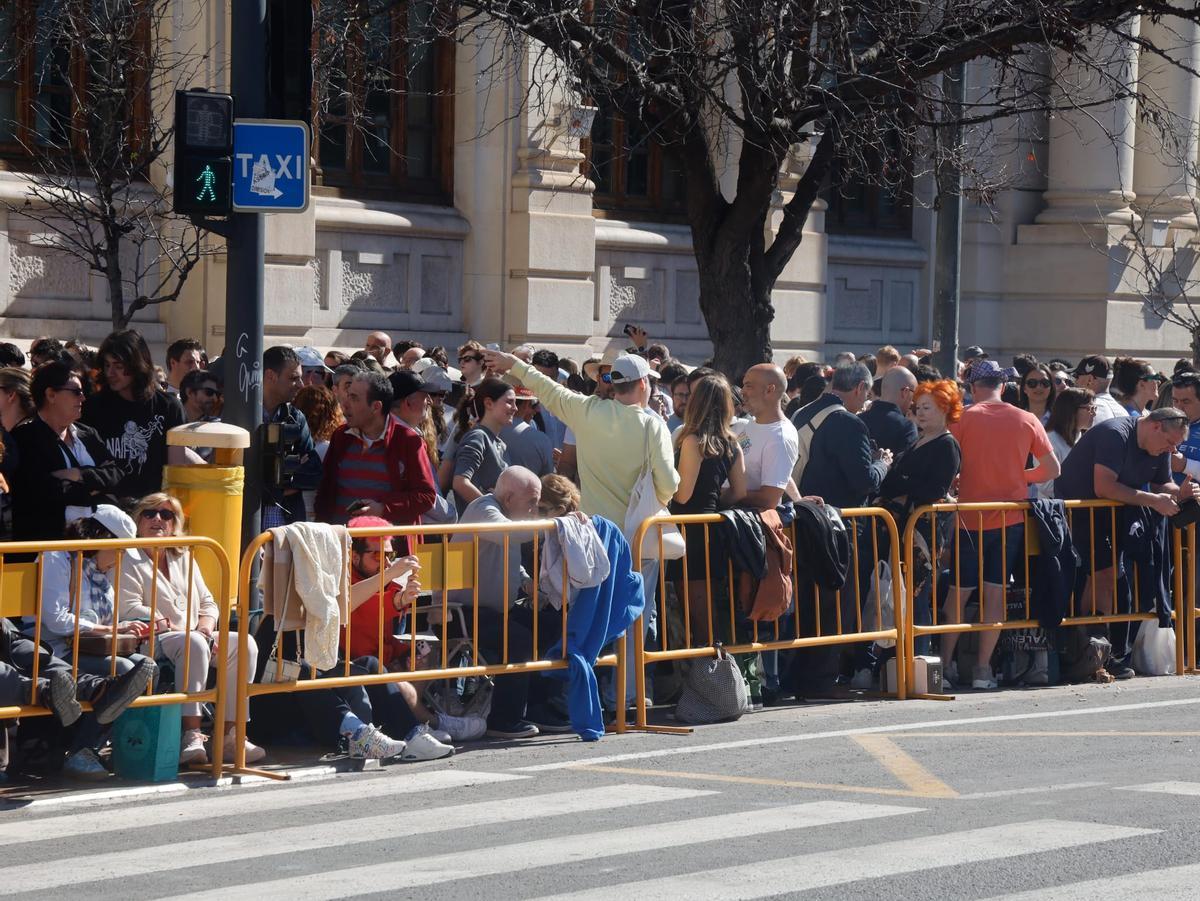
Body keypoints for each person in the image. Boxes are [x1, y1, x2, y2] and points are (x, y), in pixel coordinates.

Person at [482, 349, 678, 711]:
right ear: (645, 385)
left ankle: (583, 691)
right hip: (636, 538)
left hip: (591, 538)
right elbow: (668, 483)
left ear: (612, 384)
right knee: (633, 615)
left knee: (589, 617)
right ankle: (628, 694)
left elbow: (548, 390)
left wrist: (514, 365)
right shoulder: (652, 424)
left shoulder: (587, 411)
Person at [120, 493, 264, 765]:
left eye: (167, 514)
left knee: (244, 643)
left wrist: (206, 630)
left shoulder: (183, 553)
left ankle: (231, 737)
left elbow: (208, 601)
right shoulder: (128, 557)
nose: (158, 520)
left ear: (176, 524)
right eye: (149, 513)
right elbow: (130, 608)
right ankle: (192, 735)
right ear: (138, 519)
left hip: (194, 635)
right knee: (194, 643)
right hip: (153, 638)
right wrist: (182, 629)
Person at [941, 360, 1059, 690]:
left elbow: (947, 464)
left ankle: (946, 667)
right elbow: (1052, 469)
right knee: (995, 595)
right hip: (1010, 518)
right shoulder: (1026, 418)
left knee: (958, 595)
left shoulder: (962, 418)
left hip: (968, 518)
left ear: (972, 387)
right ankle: (982, 670)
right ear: (1003, 386)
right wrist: (1017, 476)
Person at [1054, 408, 1195, 666]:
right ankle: (1087, 649)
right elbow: (1104, 486)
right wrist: (1154, 501)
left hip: (1118, 513)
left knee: (1121, 579)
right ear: (1155, 427)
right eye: (1169, 443)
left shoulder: (1160, 446)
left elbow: (1161, 484)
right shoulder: (1115, 434)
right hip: (1083, 512)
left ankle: (1104, 649)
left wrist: (1181, 492)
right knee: (1103, 575)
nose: (1171, 450)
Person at [451, 466, 567, 736]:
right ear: (508, 499)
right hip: (460, 614)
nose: (535, 510)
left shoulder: (504, 514)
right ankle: (504, 720)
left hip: (494, 610)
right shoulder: (483, 508)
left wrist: (527, 583)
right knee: (519, 639)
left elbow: (508, 551)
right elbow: (510, 535)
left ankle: (539, 708)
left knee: (553, 625)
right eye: (531, 503)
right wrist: (556, 524)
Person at [1, 616, 156, 779]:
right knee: (13, 672)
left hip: (6, 636)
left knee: (37, 656)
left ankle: (98, 689)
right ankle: (46, 693)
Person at [667, 375, 746, 639]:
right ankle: (711, 670)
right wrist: (714, 503)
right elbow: (739, 491)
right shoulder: (733, 442)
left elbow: (683, 496)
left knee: (695, 614)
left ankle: (710, 673)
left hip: (688, 530)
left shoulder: (693, 441)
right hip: (712, 528)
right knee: (705, 611)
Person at [11, 362, 123, 542]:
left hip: (96, 551)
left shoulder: (88, 434)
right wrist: (96, 490)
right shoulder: (24, 438)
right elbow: (41, 492)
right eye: (76, 392)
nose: (83, 398)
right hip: (48, 548)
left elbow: (116, 474)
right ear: (51, 394)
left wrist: (78, 474)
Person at [314, 370, 435, 526]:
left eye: (354, 398)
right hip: (341, 543)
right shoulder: (341, 436)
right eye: (348, 395)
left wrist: (384, 508)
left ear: (376, 407)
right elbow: (325, 490)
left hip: (388, 546)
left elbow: (426, 496)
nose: (345, 404)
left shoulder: (408, 441)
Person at [82, 329, 190, 501]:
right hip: (107, 509)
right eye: (107, 365)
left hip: (152, 510)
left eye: (118, 366)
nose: (110, 373)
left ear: (138, 365)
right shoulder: (92, 407)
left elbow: (177, 471)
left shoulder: (169, 407)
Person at [793, 362, 890, 509]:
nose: (865, 402)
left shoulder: (802, 412)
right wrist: (882, 464)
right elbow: (865, 481)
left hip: (802, 514)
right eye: (867, 393)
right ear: (860, 387)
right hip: (837, 521)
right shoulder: (850, 423)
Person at [261, 346, 323, 528]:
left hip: (289, 529)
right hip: (248, 532)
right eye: (293, 378)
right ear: (270, 376)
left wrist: (273, 484)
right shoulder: (243, 417)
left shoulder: (296, 418)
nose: (301, 385)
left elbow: (313, 472)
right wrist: (289, 469)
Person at [389, 370, 457, 524]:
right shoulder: (404, 439)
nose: (430, 401)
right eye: (425, 396)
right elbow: (426, 497)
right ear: (407, 403)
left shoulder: (394, 432)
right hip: (410, 531)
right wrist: (451, 515)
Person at [452, 377, 516, 513]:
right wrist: (493, 511)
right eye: (509, 402)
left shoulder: (499, 443)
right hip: (476, 530)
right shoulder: (478, 436)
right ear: (489, 403)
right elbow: (460, 482)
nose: (515, 408)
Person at [1036, 387, 1096, 498]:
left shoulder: (1082, 437)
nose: (1094, 413)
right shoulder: (1048, 440)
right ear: (1071, 410)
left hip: (1075, 508)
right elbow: (1045, 485)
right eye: (1090, 408)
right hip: (1055, 511)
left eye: (1095, 408)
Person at [860, 365, 918, 456]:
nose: (913, 402)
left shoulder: (857, 420)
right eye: (914, 394)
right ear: (905, 392)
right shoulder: (906, 427)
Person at [500, 387, 555, 477]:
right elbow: (547, 479)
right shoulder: (541, 440)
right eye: (534, 404)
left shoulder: (487, 429)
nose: (538, 409)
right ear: (525, 404)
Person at [1072, 355, 1126, 423]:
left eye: (1076, 376)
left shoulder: (1085, 411)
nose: (1075, 381)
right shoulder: (1123, 412)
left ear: (1090, 380)